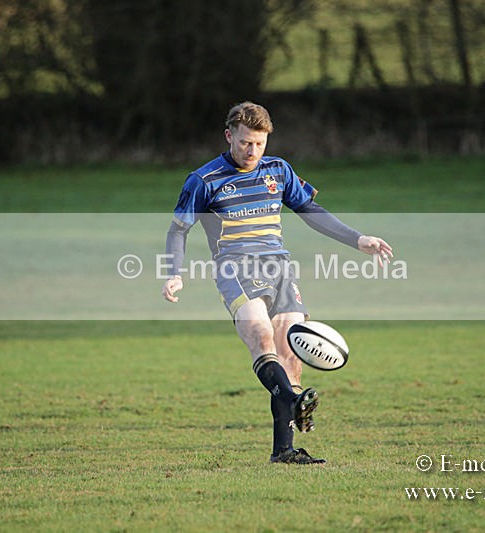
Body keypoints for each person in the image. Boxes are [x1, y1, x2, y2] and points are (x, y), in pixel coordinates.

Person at [161, 102, 393, 463]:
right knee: (261, 337)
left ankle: (284, 451)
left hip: (280, 268)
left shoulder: (278, 170)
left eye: (259, 143)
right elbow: (178, 231)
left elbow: (310, 211)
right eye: (244, 143)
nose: (252, 151)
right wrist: (174, 272)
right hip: (234, 269)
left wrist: (358, 239)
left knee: (290, 354)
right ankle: (295, 402)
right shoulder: (203, 180)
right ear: (229, 137)